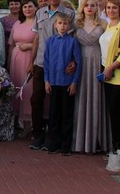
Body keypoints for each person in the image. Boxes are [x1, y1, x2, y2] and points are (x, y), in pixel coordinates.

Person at [29, 0, 76, 150]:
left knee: (57, 103)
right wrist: (31, 61)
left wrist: (74, 62)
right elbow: (36, 38)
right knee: (36, 99)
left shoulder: (69, 14)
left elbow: (73, 40)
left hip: (61, 66)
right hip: (41, 63)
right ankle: (37, 135)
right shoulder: (40, 13)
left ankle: (54, 138)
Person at [72, 0, 111, 154]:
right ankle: (81, 141)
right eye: (86, 5)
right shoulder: (76, 24)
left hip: (98, 62)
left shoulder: (103, 24)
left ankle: (98, 140)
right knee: (81, 98)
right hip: (81, 63)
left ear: (97, 7)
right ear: (82, 7)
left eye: (93, 5)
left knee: (98, 98)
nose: (89, 8)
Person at [43, 12, 81, 155]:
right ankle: (54, 143)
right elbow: (46, 62)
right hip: (53, 82)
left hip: (67, 83)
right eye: (60, 23)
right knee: (54, 114)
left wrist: (74, 82)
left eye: (65, 23)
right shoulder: (50, 41)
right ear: (55, 25)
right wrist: (46, 81)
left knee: (67, 115)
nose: (63, 26)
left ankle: (66, 145)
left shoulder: (73, 42)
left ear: (69, 25)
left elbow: (78, 63)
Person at [100, 0, 120, 153]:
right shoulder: (107, 26)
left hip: (118, 73)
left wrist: (111, 67)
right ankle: (115, 144)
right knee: (112, 111)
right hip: (107, 73)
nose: (111, 10)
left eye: (114, 7)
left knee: (117, 109)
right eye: (109, 7)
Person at [8, 0, 37, 134]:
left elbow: (42, 43)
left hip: (30, 59)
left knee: (28, 91)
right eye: (25, 7)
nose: (27, 9)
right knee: (17, 89)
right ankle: (17, 122)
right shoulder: (17, 23)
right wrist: (9, 63)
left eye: (30, 6)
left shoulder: (38, 24)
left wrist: (29, 45)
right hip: (16, 60)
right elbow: (11, 44)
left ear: (35, 8)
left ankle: (29, 125)